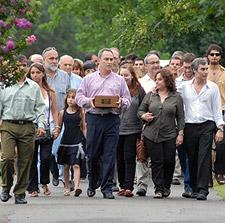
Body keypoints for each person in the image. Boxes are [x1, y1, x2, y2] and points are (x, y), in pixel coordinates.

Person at [75, 48, 131, 199]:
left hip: (112, 119)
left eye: (112, 59)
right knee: (92, 155)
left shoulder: (119, 80)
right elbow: (78, 98)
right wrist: (90, 102)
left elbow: (127, 100)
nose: (109, 62)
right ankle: (93, 183)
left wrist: (121, 103)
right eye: (106, 59)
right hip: (94, 119)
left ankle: (107, 187)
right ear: (98, 61)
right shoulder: (88, 79)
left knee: (109, 155)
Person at [0, 55, 46, 204]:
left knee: (25, 161)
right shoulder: (4, 85)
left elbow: (40, 108)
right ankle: (5, 187)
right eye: (18, 65)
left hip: (27, 126)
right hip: (8, 125)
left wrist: (41, 125)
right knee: (7, 157)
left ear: (27, 67)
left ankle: (20, 193)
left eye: (24, 65)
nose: (21, 68)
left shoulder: (33, 87)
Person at [180, 57, 224, 200]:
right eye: (202, 69)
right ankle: (193, 187)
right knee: (192, 158)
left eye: (206, 69)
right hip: (190, 126)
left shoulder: (212, 87)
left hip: (207, 125)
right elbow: (169, 91)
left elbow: (217, 110)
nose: (205, 72)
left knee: (204, 157)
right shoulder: (184, 86)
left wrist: (220, 128)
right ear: (194, 71)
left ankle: (203, 189)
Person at [138, 68, 185, 198]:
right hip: (151, 134)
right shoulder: (150, 95)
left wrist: (180, 134)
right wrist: (144, 116)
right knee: (157, 161)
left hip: (169, 134)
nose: (157, 82)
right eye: (156, 79)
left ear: (167, 80)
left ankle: (166, 186)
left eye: (160, 79)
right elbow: (140, 110)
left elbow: (180, 117)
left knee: (169, 161)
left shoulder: (176, 97)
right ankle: (158, 189)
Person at [27, 62, 60, 197]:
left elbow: (54, 111)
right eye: (33, 73)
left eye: (38, 72)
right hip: (31, 127)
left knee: (46, 157)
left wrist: (57, 127)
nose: (35, 75)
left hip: (47, 127)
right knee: (32, 159)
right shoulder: (27, 90)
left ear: (43, 74)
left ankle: (44, 182)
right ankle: (32, 187)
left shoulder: (49, 91)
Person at [42, 47, 70, 187]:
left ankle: (64, 177)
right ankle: (46, 178)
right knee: (46, 153)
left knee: (59, 149)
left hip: (61, 118)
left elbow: (68, 97)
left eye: (56, 58)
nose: (54, 61)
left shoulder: (65, 76)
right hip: (43, 119)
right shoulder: (39, 76)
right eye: (51, 58)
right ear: (44, 60)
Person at [117, 66, 145, 197]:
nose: (123, 78)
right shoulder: (115, 89)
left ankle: (129, 186)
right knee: (119, 158)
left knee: (129, 157)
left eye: (126, 75)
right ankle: (122, 185)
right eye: (121, 75)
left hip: (133, 129)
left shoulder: (139, 90)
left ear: (132, 76)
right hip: (117, 128)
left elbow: (144, 107)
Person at [136, 51, 160, 197]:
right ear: (145, 66)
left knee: (158, 157)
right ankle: (141, 185)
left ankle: (159, 186)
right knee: (142, 154)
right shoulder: (141, 83)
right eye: (152, 63)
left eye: (157, 62)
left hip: (162, 124)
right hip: (144, 123)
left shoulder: (166, 80)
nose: (156, 65)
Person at [57, 89, 86, 197]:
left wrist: (87, 139)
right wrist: (55, 135)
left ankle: (77, 187)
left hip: (77, 141)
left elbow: (84, 127)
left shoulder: (81, 112)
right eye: (69, 97)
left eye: (73, 97)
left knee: (76, 164)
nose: (70, 100)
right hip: (66, 141)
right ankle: (67, 187)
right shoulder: (62, 112)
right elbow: (59, 127)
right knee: (65, 166)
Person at [175, 52, 196, 198]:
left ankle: (189, 185)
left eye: (190, 68)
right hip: (179, 122)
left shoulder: (200, 81)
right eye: (186, 67)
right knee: (182, 154)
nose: (188, 71)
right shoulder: (177, 82)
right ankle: (188, 178)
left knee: (191, 155)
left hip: (194, 121)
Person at [207, 44, 225, 184]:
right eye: (212, 54)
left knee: (221, 144)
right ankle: (206, 175)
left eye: (217, 54)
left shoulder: (224, 72)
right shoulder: (203, 71)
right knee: (205, 144)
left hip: (222, 110)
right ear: (208, 56)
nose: (214, 57)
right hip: (207, 111)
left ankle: (219, 172)